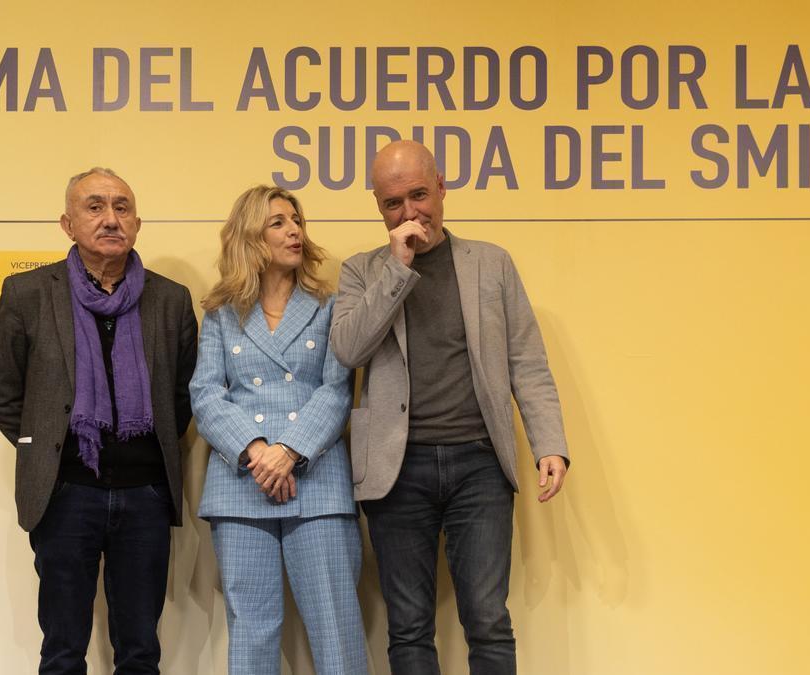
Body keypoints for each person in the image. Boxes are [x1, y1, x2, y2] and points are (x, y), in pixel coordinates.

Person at [330, 140, 571, 674]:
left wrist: (549, 444)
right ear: (379, 209)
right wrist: (397, 266)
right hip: (397, 469)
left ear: (442, 187)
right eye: (394, 203)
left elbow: (527, 362)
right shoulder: (362, 271)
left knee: (488, 620)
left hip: (479, 465)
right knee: (409, 627)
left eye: (419, 194)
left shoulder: (491, 263)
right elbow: (348, 349)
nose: (410, 212)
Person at [0, 167, 197, 674]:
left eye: (122, 208)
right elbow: (4, 392)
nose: (110, 219)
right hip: (64, 495)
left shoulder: (170, 300)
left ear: (138, 223)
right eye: (95, 207)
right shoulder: (28, 294)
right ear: (67, 223)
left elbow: (184, 396)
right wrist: (49, 448)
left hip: (144, 496)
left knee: (141, 650)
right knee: (62, 651)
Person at [191, 185, 368, 674]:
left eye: (297, 221)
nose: (294, 230)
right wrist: (256, 450)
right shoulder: (220, 314)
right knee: (250, 632)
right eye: (278, 222)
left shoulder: (328, 306)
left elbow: (337, 390)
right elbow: (205, 394)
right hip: (241, 485)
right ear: (251, 237)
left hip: (318, 483)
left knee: (337, 631)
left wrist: (288, 450)